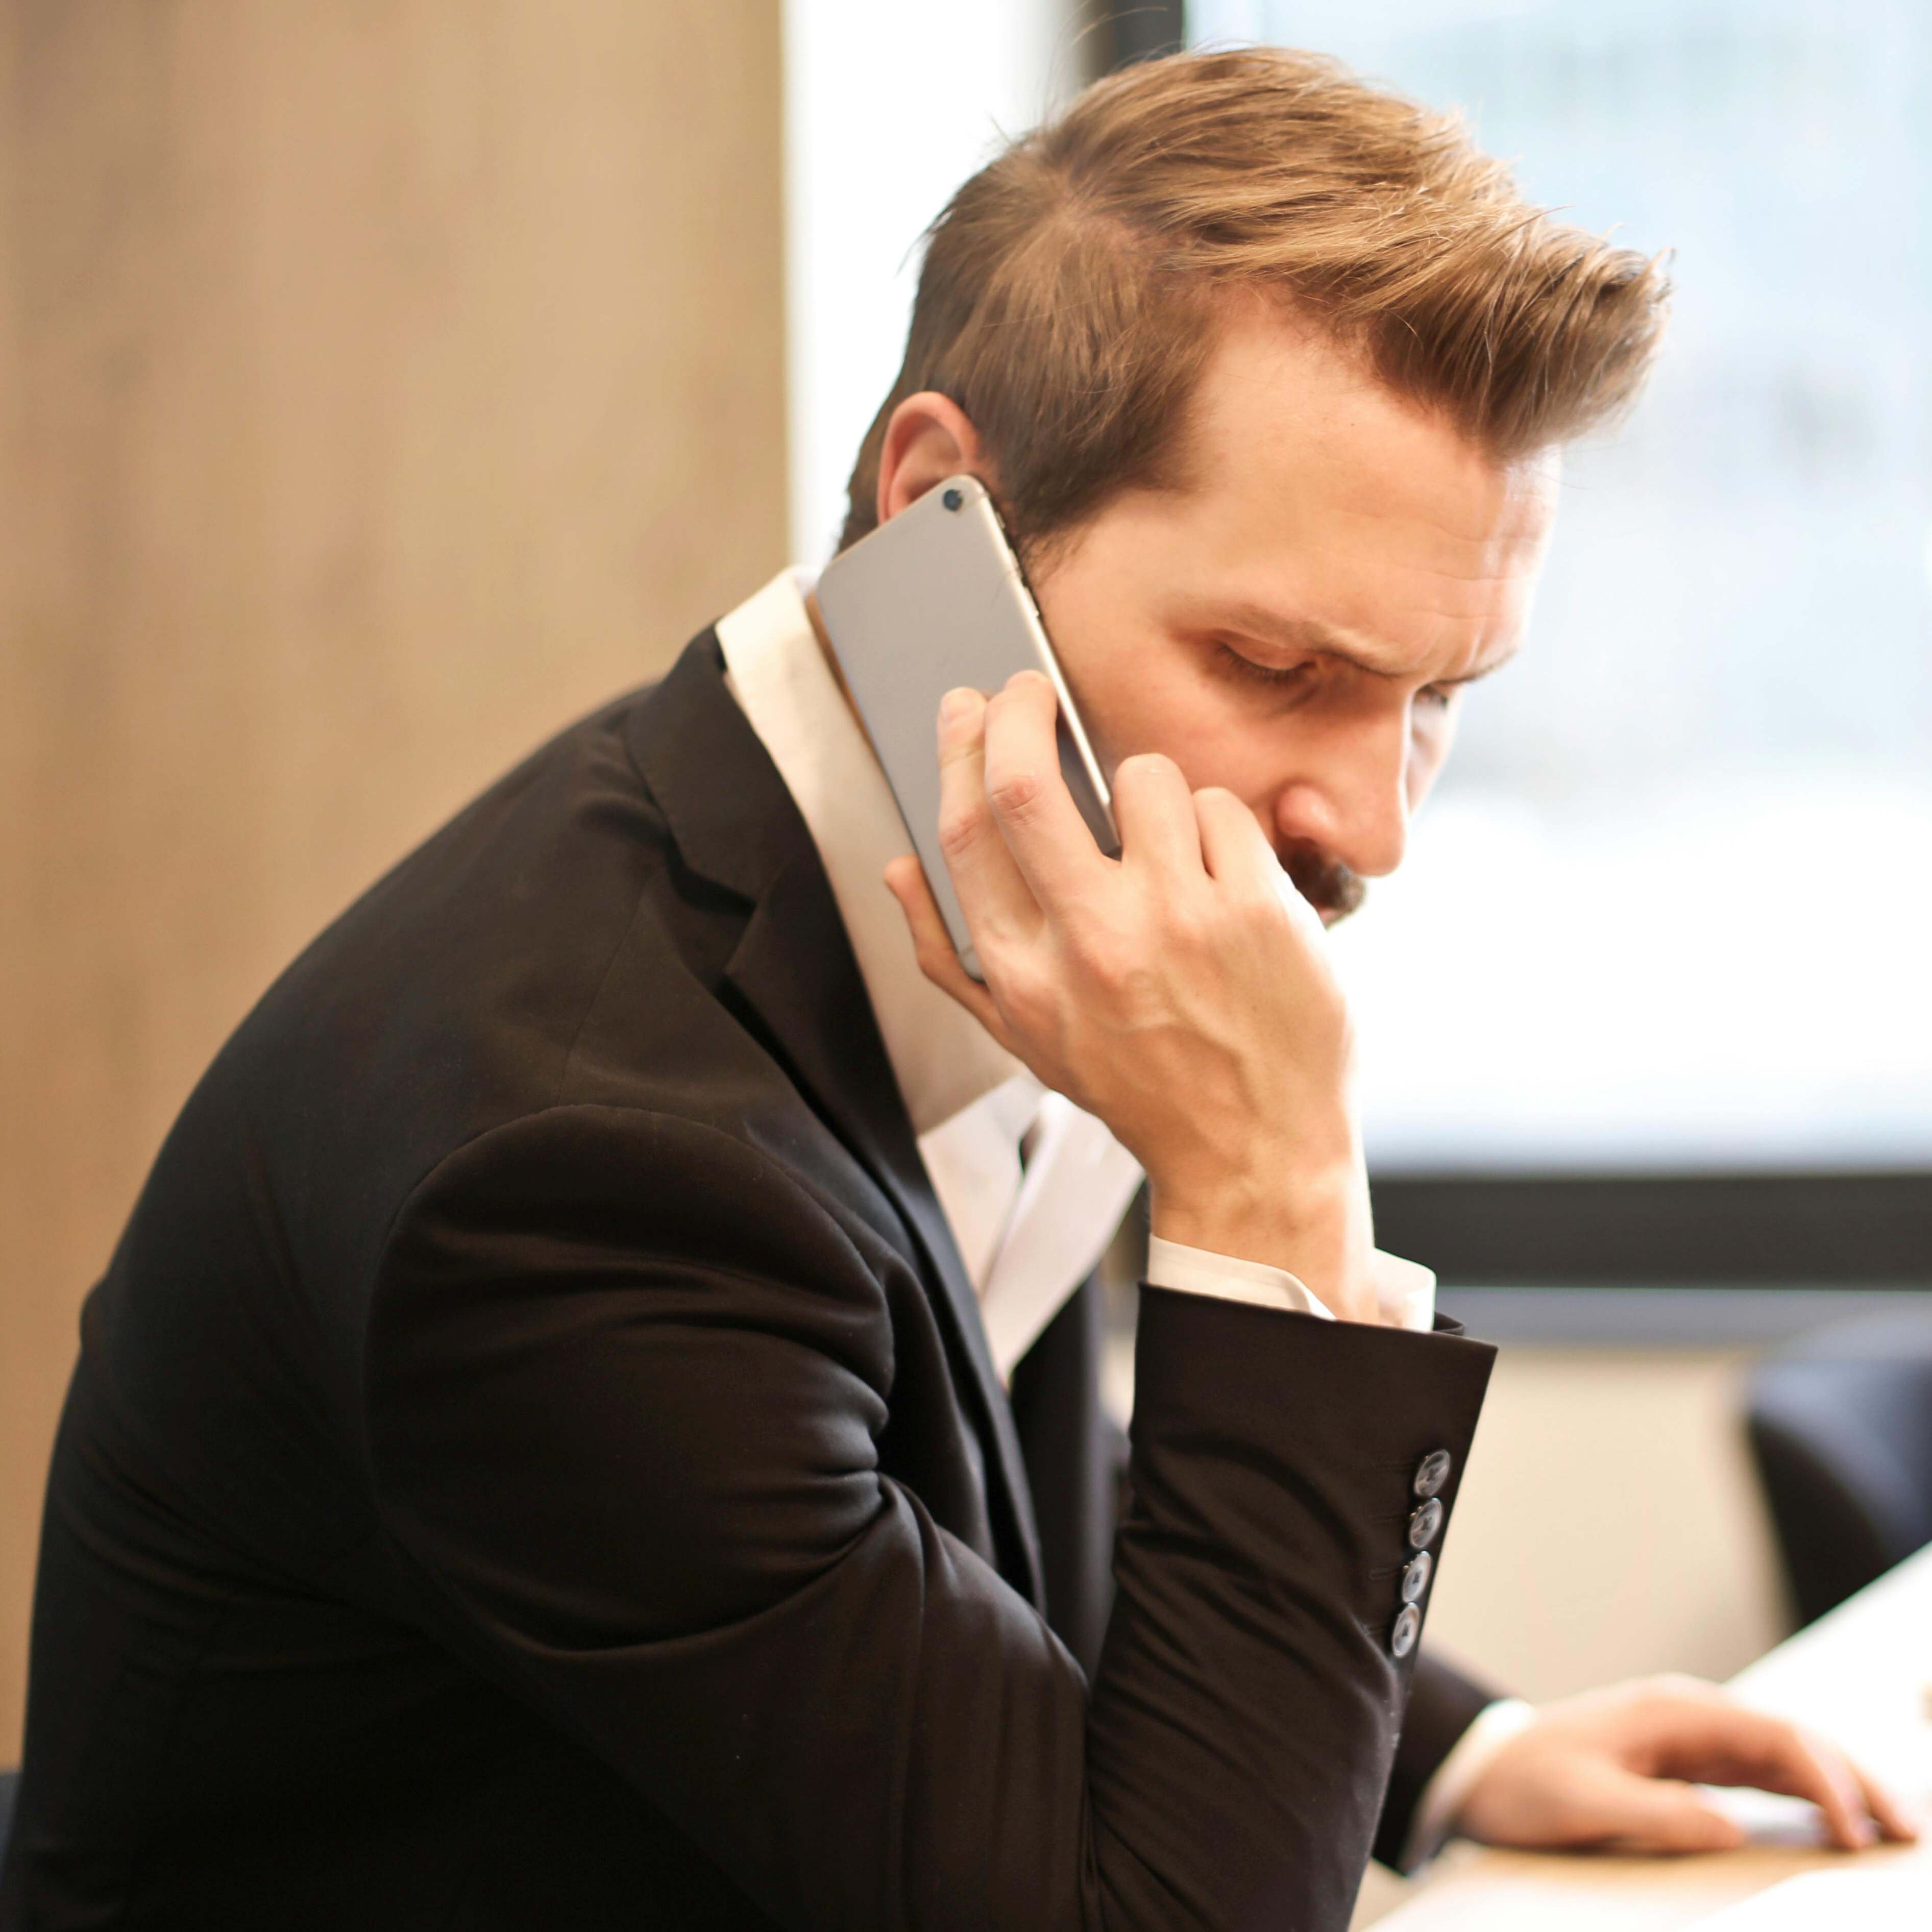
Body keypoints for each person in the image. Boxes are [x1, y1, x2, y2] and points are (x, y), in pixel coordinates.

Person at [0, 46, 1913, 1932]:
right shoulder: (574, 1180)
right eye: (1272, 661)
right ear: (945, 519)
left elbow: (957, 1505)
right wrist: (1271, 1196)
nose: (1373, 823)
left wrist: (1456, 1751)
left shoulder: (924, 857)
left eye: (1437, 700)